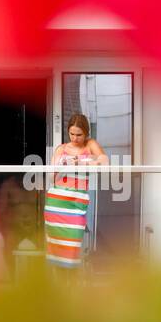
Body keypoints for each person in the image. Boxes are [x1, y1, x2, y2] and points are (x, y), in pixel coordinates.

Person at [44, 114, 108, 268]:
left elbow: (104, 161)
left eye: (79, 134)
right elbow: (51, 178)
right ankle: (57, 289)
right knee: (55, 251)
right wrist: (63, 166)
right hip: (56, 203)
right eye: (71, 133)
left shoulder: (90, 145)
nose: (74, 138)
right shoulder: (61, 148)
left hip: (77, 204)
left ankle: (71, 288)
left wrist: (81, 162)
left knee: (72, 251)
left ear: (86, 133)